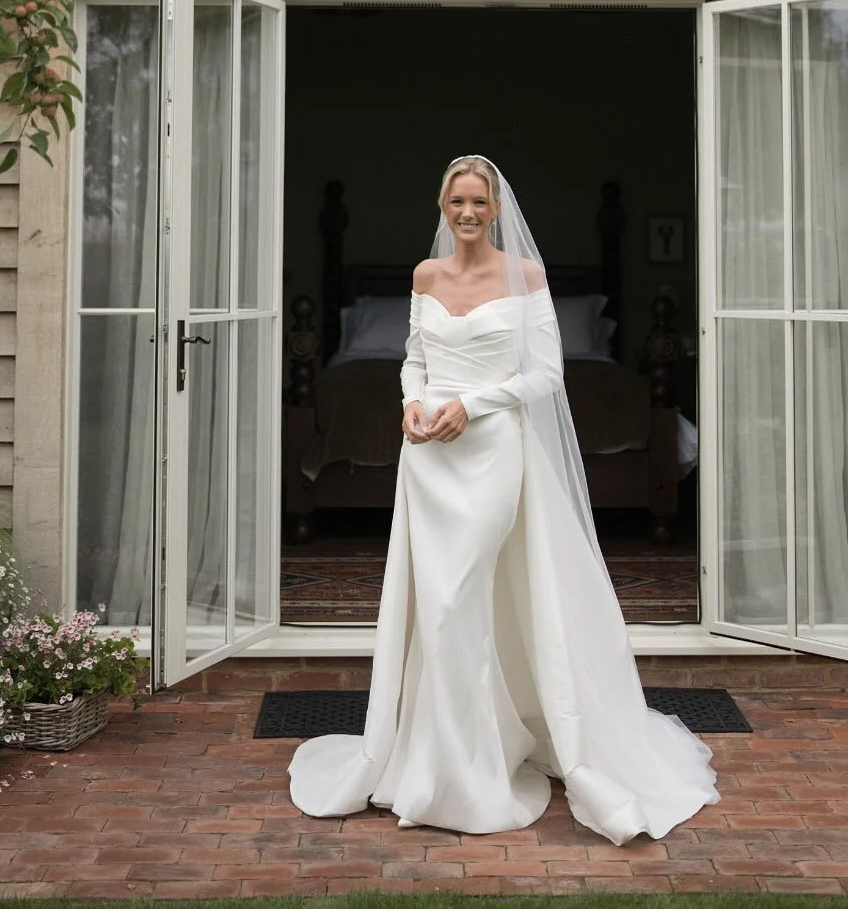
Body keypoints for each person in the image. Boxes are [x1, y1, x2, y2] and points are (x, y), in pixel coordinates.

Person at [288, 156, 719, 843]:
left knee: (462, 594)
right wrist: (408, 404)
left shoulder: (528, 279)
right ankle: (441, 755)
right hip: (426, 457)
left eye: (478, 201)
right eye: (456, 201)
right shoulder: (425, 277)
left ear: (495, 207)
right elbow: (414, 357)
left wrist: (472, 403)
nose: (466, 212)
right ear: (442, 205)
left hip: (491, 453)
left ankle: (475, 766)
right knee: (437, 605)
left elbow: (546, 374)